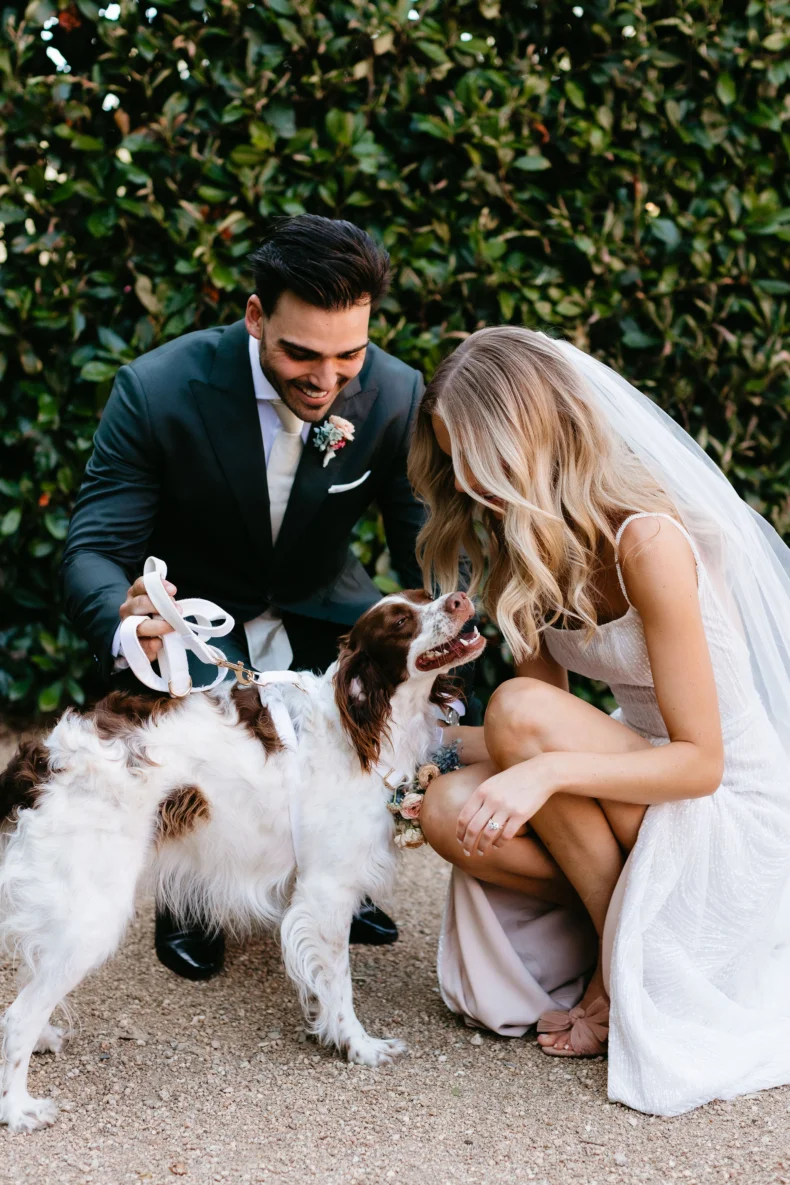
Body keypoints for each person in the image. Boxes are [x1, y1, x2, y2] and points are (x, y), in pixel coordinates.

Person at [408, 325, 790, 1116]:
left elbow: (701, 762)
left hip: (728, 806)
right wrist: (404, 744)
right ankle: (634, 927)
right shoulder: (524, 545)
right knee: (446, 806)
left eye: (476, 459)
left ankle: (618, 973)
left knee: (517, 716)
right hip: (636, 779)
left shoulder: (648, 539)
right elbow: (524, 732)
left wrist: (547, 770)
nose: (467, 484)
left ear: (530, 438)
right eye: (452, 462)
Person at [61, 215, 427, 979]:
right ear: (256, 316)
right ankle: (194, 895)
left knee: (365, 708)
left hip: (323, 609)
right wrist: (131, 627)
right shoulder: (158, 389)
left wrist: (439, 638)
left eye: (349, 354)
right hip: (199, 620)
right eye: (302, 353)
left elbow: (423, 549)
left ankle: (336, 869)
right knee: (206, 739)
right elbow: (95, 548)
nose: (327, 379)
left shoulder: (395, 394)